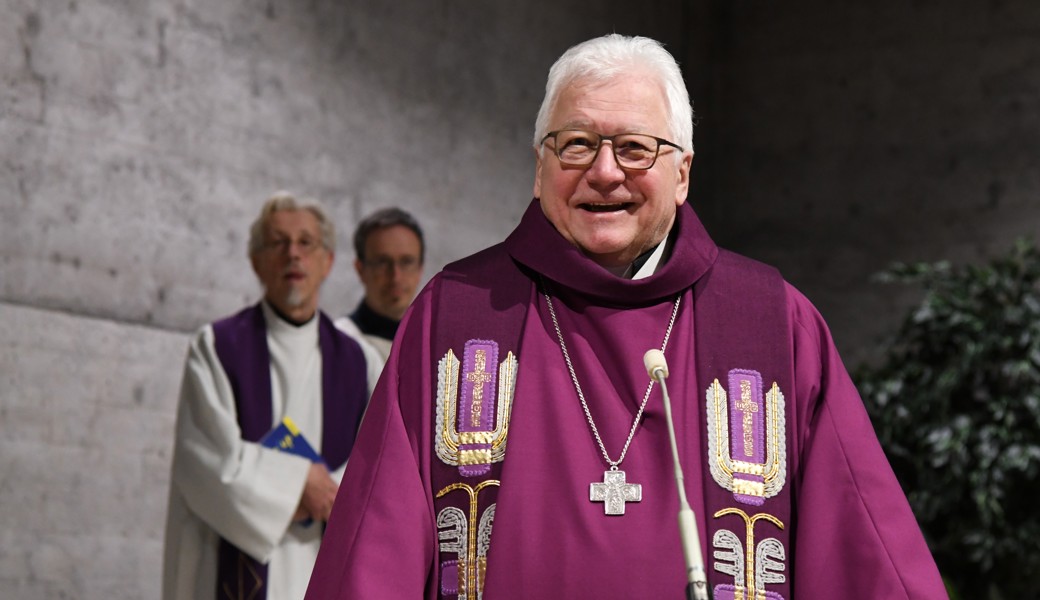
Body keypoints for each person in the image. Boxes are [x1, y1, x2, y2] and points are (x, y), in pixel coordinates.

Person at [304, 35, 947, 599]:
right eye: (576, 144)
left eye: (635, 148)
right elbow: (373, 548)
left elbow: (866, 549)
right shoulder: (457, 313)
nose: (605, 172)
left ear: (682, 173)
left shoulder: (775, 323)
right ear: (540, 169)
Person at [163, 192, 375, 600]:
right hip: (235, 565)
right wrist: (299, 484)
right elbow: (206, 463)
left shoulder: (360, 361)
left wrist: (330, 495)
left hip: (326, 564)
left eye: (306, 243)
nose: (293, 254)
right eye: (278, 243)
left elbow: (377, 463)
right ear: (256, 261)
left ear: (327, 261)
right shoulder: (217, 347)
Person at [335, 207, 425, 363]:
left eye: (406, 262)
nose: (396, 277)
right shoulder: (338, 346)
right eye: (382, 262)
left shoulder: (436, 347)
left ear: (420, 270)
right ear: (360, 269)